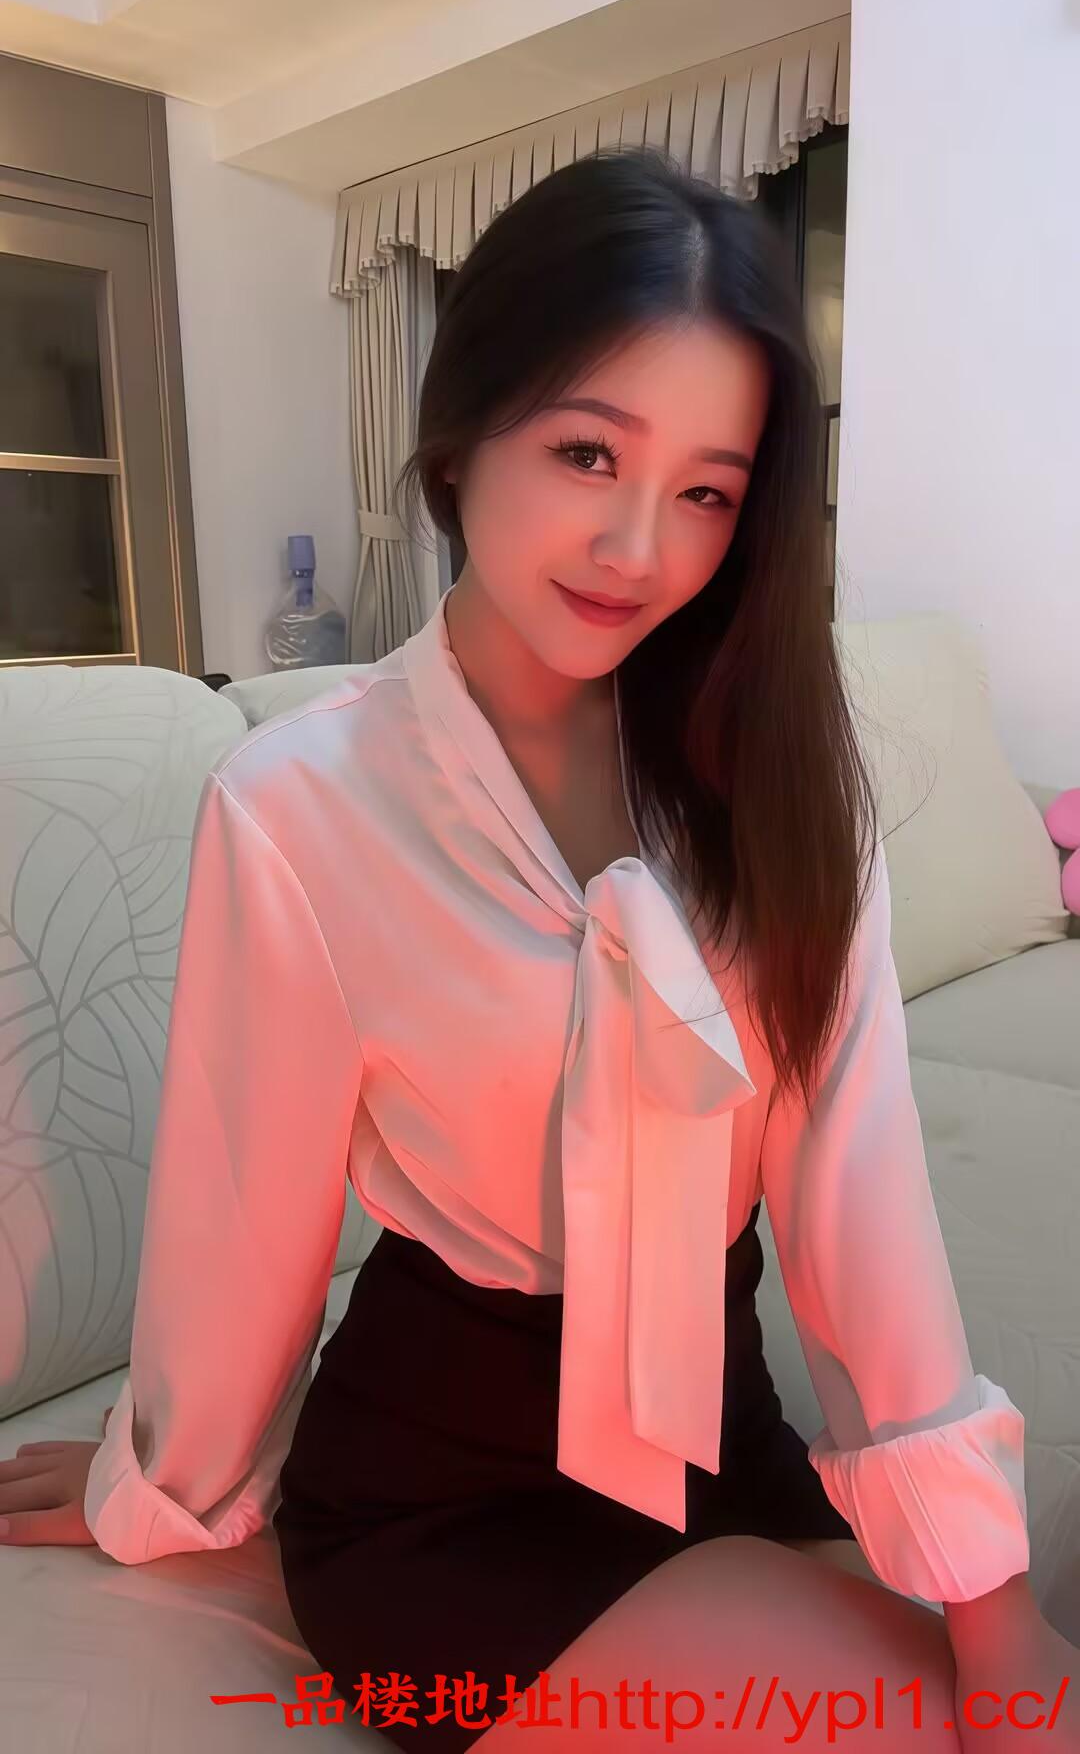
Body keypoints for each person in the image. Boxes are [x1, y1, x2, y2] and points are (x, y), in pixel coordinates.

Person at [0, 148, 1076, 1753]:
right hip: (437, 1500)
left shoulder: (778, 770)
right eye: (588, 452)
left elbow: (858, 1202)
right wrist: (159, 1486)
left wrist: (1000, 1622)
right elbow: (243, 1226)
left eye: (707, 491)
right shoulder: (301, 807)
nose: (639, 546)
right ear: (461, 438)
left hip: (722, 1436)